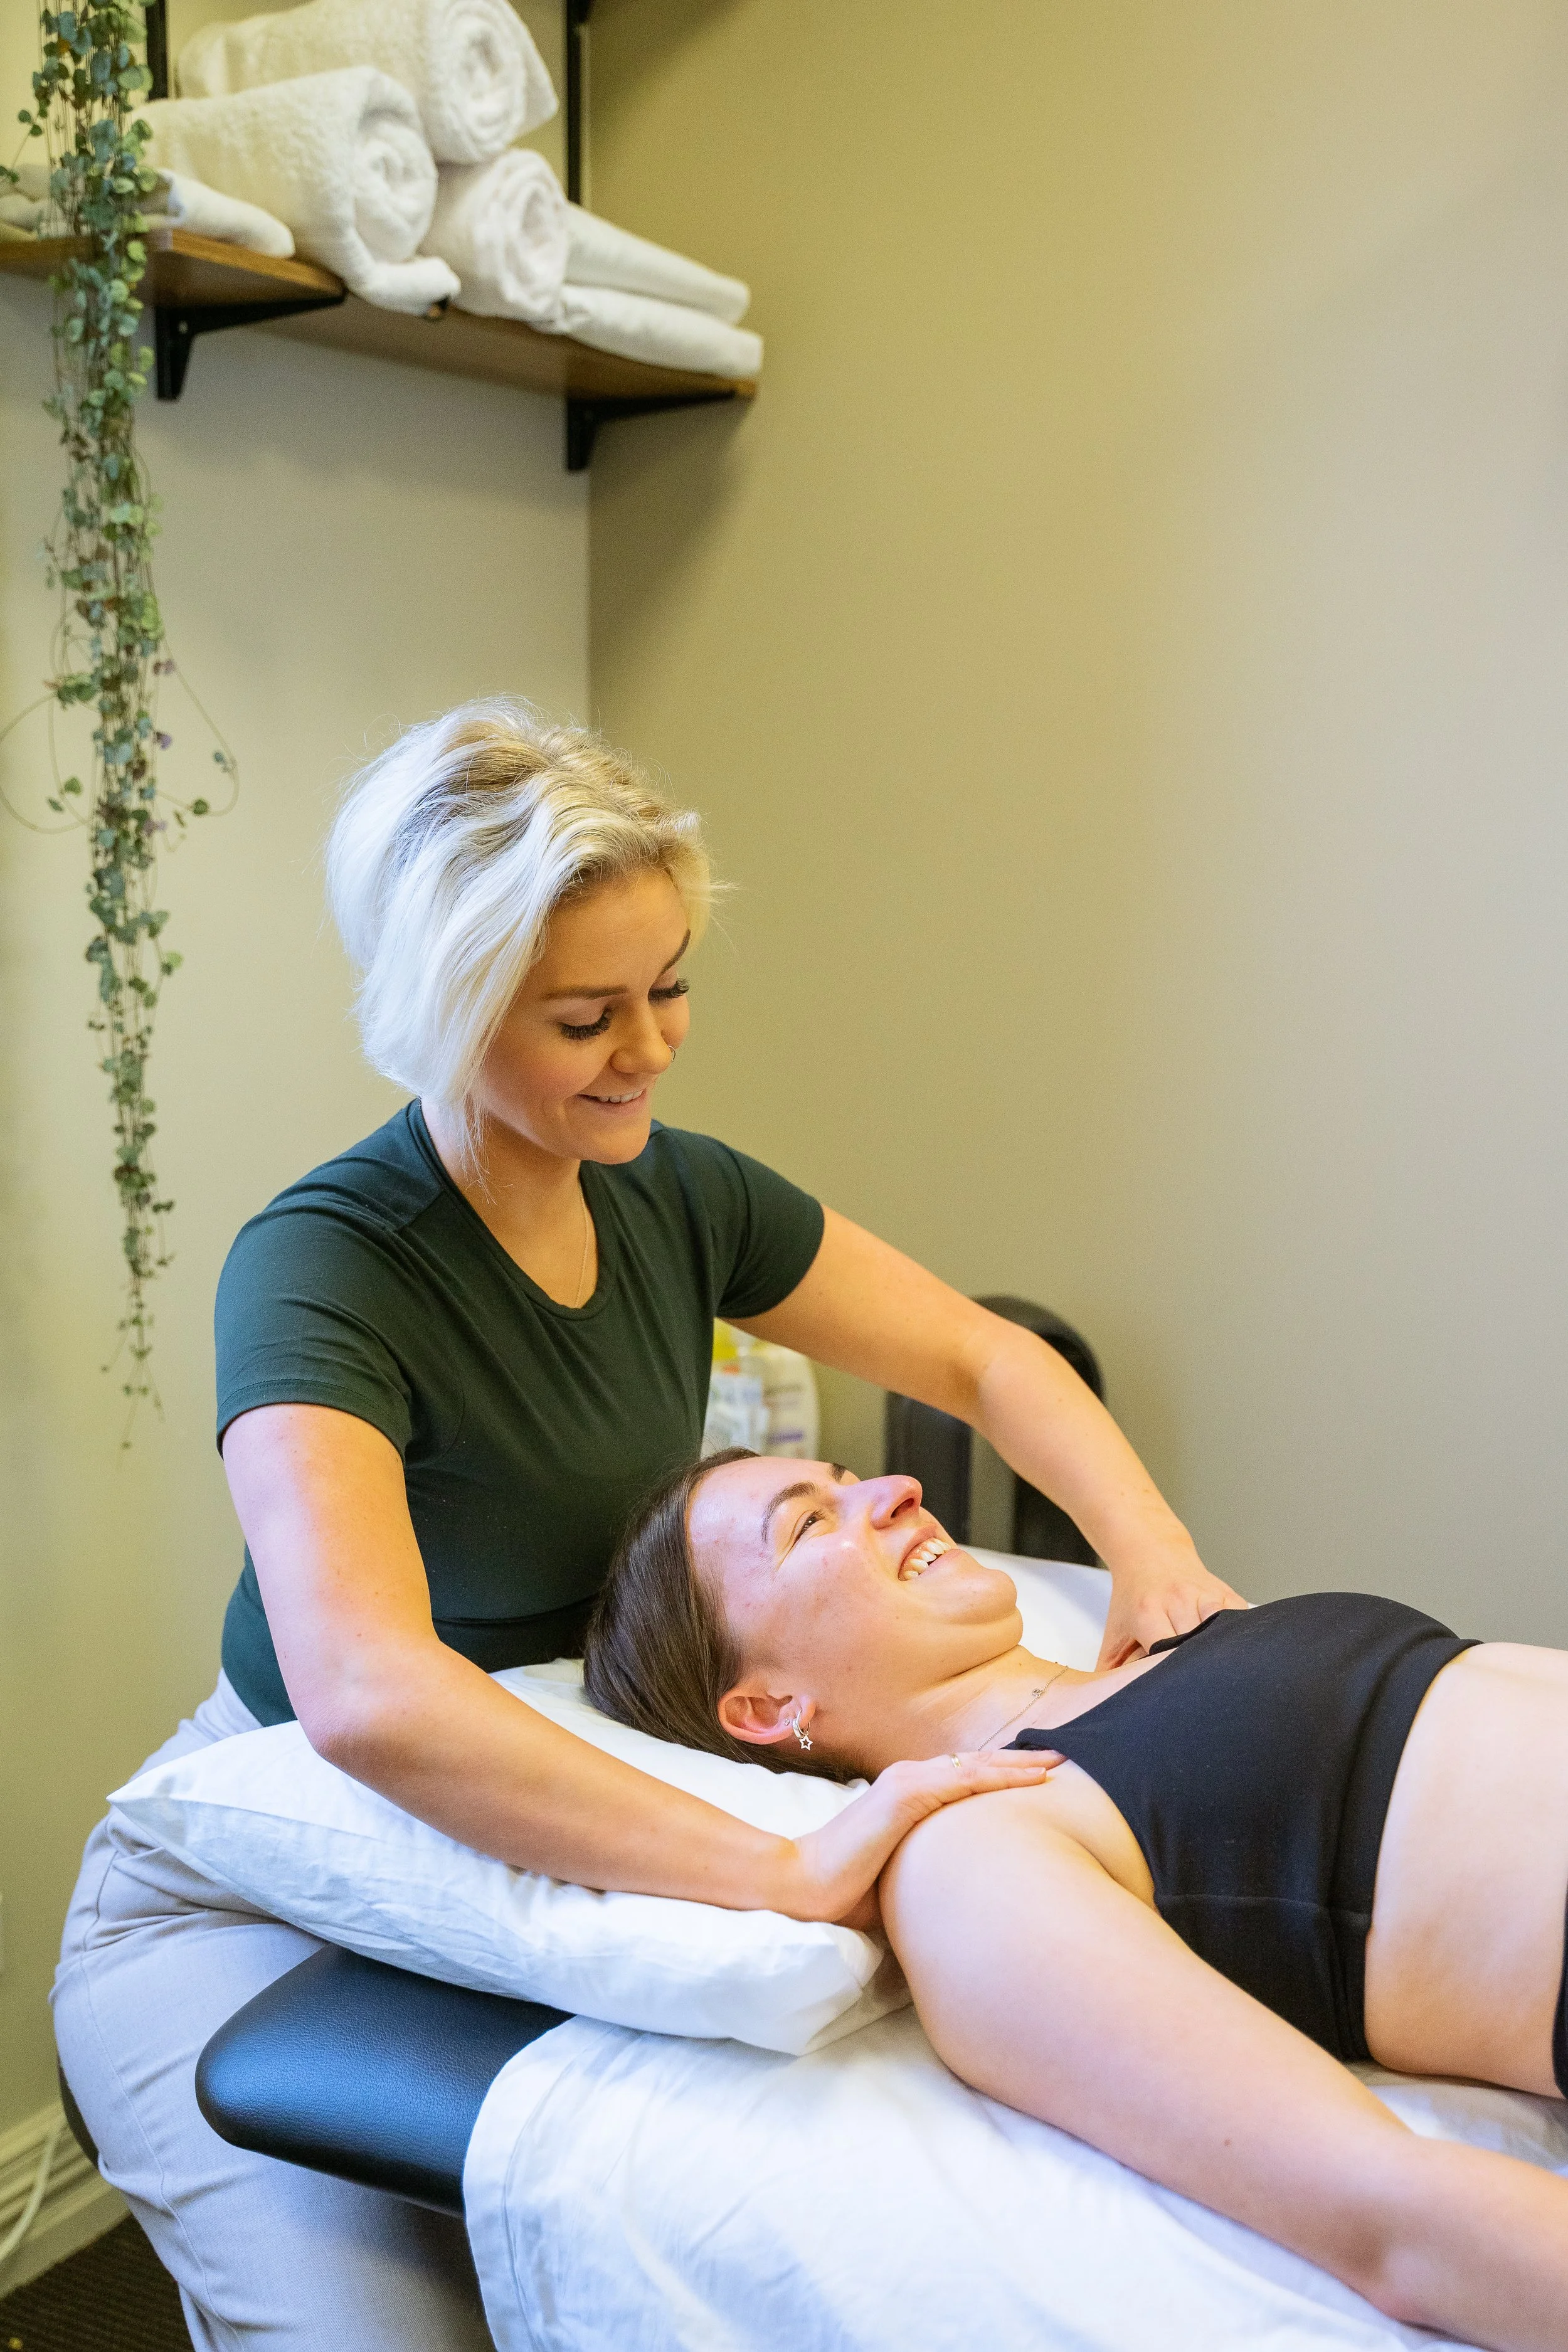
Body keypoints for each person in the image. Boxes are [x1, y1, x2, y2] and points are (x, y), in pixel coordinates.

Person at [53, 699, 1239, 2352]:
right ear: (443, 1006)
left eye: (670, 984)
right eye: (584, 1013)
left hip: (549, 1821)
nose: (651, 1046)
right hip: (241, 1900)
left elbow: (979, 1351)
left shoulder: (670, 1190)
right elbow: (371, 1694)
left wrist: (1158, 1563)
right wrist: (779, 1865)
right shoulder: (324, 1266)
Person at [584, 1448, 1568, 2352]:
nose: (894, 1491)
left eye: (849, 1477)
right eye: (809, 1523)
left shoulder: (1173, 1639)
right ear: (770, 1708)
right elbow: (1392, 2218)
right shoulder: (971, 1854)